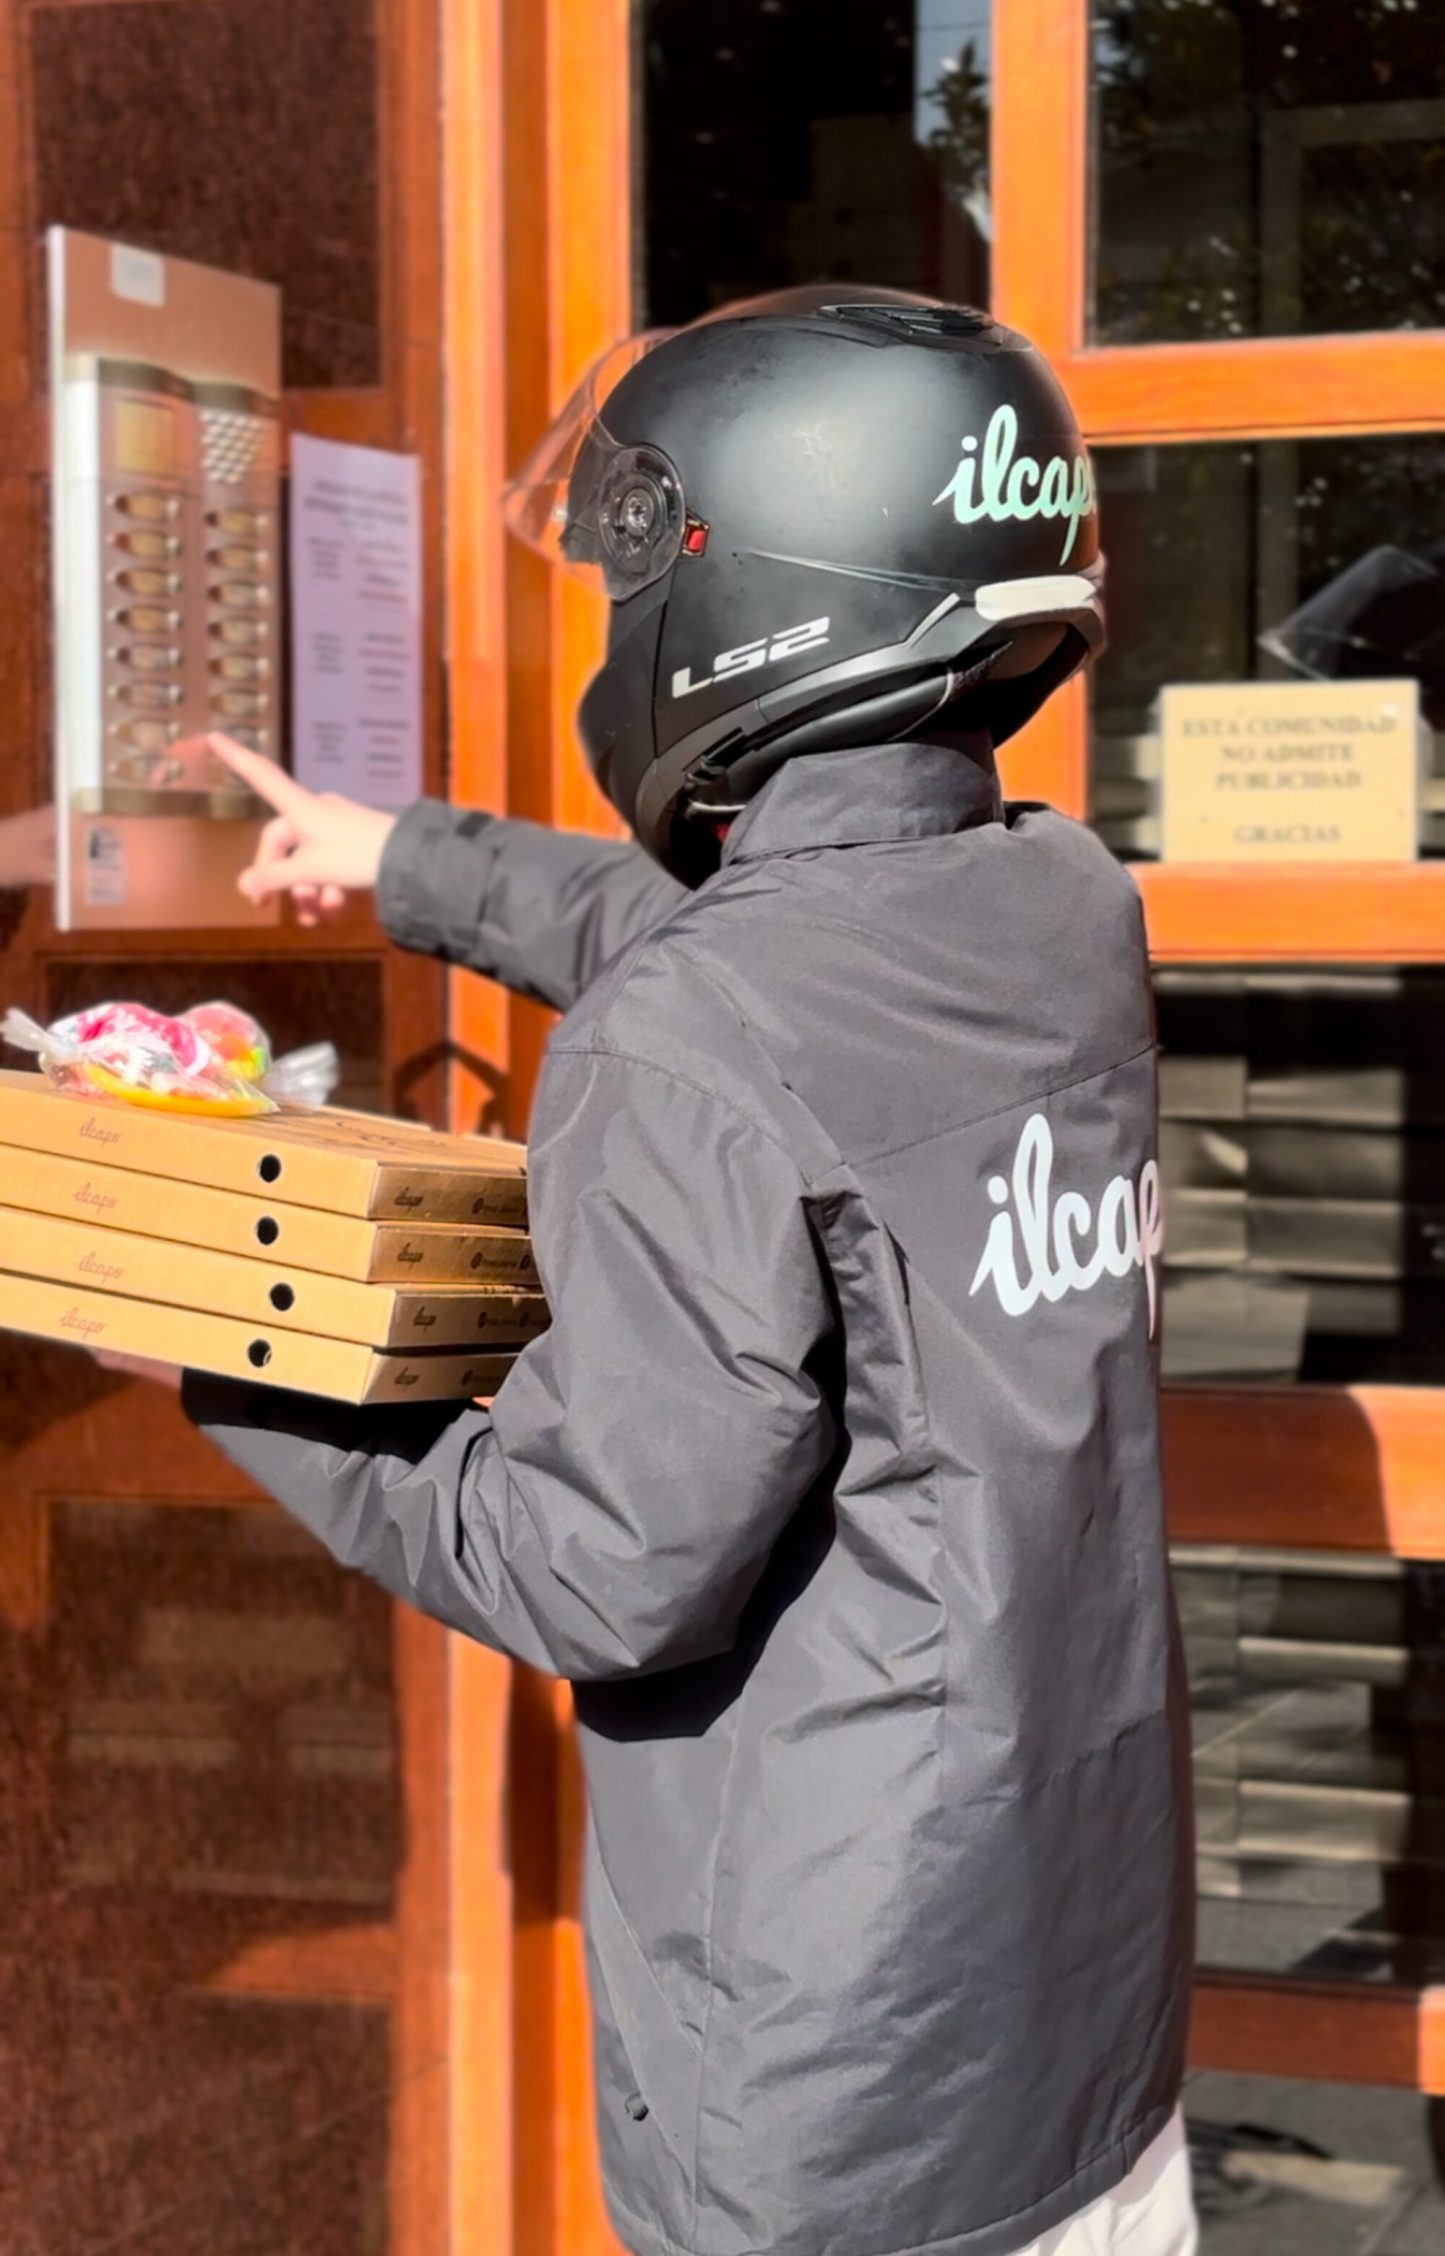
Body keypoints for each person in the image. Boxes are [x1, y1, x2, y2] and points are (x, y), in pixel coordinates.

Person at [187, 287, 1197, 2256]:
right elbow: (772, 946)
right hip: (1079, 2020)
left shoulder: (698, 1037)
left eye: (622, 585)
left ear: (737, 594)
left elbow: (596, 1567)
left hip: (842, 2101)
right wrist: (407, 860)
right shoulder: (1058, 904)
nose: (608, 629)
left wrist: (236, 1353)